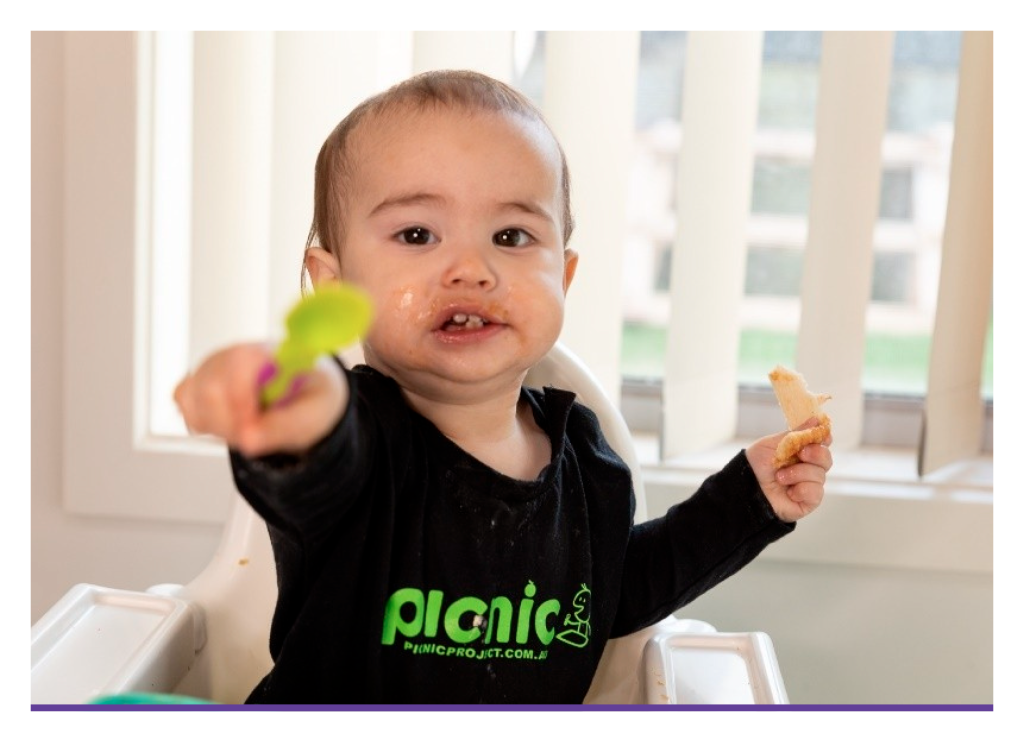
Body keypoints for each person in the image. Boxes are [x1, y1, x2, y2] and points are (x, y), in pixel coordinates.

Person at [173, 70, 832, 704]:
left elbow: (615, 594)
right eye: (417, 233)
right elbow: (315, 464)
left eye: (511, 235)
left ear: (564, 278)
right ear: (335, 283)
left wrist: (750, 498)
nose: (471, 267)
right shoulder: (362, 446)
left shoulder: (584, 457)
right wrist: (299, 401)